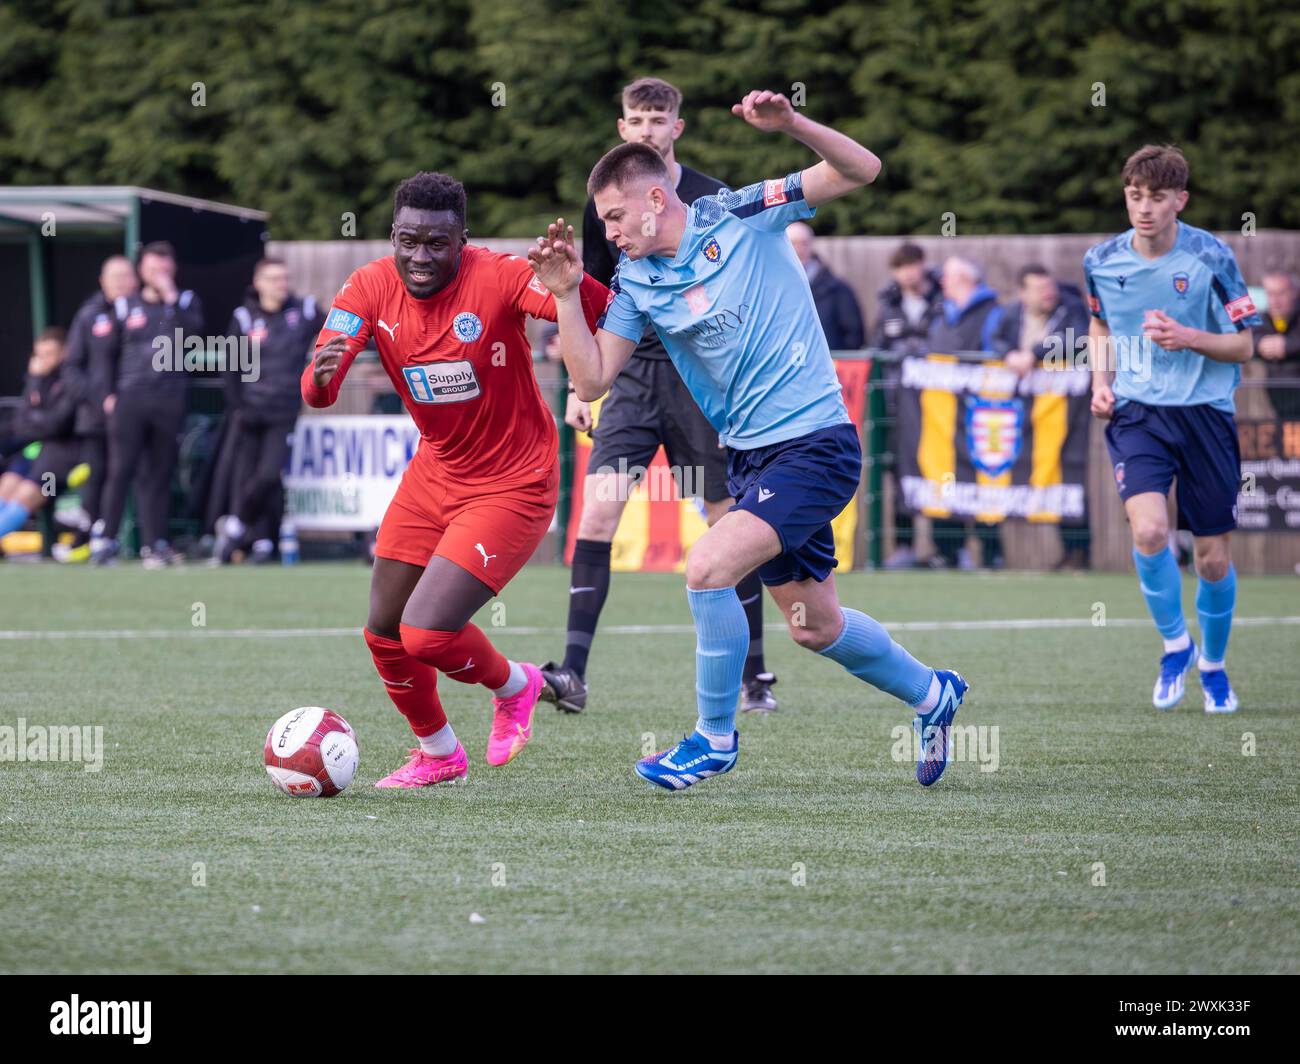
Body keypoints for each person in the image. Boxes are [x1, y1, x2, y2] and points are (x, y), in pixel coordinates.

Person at [529, 90, 968, 791]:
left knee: (707, 566)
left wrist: (793, 124)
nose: (607, 233)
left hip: (816, 443)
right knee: (813, 626)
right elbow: (589, 383)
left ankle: (714, 739)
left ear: (652, 199)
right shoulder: (637, 280)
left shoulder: (742, 210)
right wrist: (562, 295)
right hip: (755, 456)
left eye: (614, 217)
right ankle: (933, 694)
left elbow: (863, 169)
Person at [305, 171, 609, 788]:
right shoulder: (368, 284)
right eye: (408, 241)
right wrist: (321, 373)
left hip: (514, 482)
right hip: (435, 470)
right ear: (392, 234)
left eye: (437, 243)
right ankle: (439, 753)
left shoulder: (497, 275)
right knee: (385, 632)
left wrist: (573, 289)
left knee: (426, 632)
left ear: (462, 239)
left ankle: (518, 687)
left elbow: (602, 314)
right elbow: (317, 390)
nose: (420, 257)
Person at [540, 77, 778, 717]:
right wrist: (577, 387)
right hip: (631, 379)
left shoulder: (711, 197)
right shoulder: (602, 205)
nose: (646, 128)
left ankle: (756, 676)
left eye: (658, 118)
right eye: (635, 118)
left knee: (728, 523)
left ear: (677, 127)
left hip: (697, 380)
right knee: (596, 516)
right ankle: (574, 675)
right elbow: (587, 295)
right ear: (622, 127)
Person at [1086, 144, 1259, 714]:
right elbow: (1100, 324)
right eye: (1135, 196)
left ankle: (1212, 665)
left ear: (1179, 200)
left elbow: (1244, 345)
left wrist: (1190, 338)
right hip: (1139, 414)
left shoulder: (1213, 256)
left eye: (1157, 198)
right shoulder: (1102, 260)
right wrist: (1101, 382)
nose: (1144, 208)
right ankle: (1173, 646)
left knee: (1211, 559)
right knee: (1151, 531)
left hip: (1206, 415)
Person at [93, 242, 204, 567]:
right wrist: (107, 395)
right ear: (141, 271)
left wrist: (171, 297)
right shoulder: (125, 306)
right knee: (121, 469)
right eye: (154, 269)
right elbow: (104, 355)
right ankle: (106, 540)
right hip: (130, 398)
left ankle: (155, 543)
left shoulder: (184, 301)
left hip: (168, 400)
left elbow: (193, 336)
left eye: (166, 269)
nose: (160, 275)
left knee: (158, 473)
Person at [213, 258, 320, 564]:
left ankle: (235, 525)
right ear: (258, 283)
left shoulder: (305, 311)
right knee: (247, 477)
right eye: (273, 279)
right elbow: (230, 368)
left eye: (284, 279)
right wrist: (238, 408)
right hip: (250, 411)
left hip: (283, 410)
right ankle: (258, 541)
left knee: (269, 475)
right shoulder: (244, 317)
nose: (280, 285)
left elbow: (341, 331)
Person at [991, 264, 1093, 569]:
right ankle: (991, 555)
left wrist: (1033, 353)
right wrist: (1007, 354)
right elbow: (994, 341)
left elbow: (1079, 341)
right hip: (1018, 409)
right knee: (996, 470)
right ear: (1022, 293)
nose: (1048, 293)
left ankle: (1076, 553)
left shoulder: (1072, 308)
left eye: (1050, 287)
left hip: (1062, 410)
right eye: (1039, 289)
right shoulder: (1011, 314)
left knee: (1066, 473)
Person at [926, 256, 1005, 569]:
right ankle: (947, 551)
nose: (941, 283)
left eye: (946, 277)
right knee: (942, 477)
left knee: (985, 479)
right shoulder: (941, 313)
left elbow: (995, 353)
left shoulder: (992, 313)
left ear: (963, 279)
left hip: (980, 414)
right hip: (943, 415)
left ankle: (990, 553)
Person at [57, 255, 137, 562]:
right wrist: (98, 398)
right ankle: (87, 538)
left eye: (125, 276)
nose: (120, 282)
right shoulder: (89, 316)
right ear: (102, 281)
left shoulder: (144, 314)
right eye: (113, 276)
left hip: (135, 419)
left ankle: (122, 541)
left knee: (130, 477)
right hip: (96, 420)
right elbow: (71, 369)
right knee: (97, 477)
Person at [871, 242, 942, 569]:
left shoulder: (943, 301)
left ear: (923, 265)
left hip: (940, 406)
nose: (907, 273)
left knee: (944, 471)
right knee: (901, 474)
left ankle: (947, 549)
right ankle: (904, 546)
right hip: (898, 408)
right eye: (900, 267)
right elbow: (875, 350)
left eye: (911, 265)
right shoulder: (888, 306)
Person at [0, 329, 81, 544]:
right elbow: (21, 424)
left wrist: (36, 423)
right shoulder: (36, 381)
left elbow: (57, 425)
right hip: (35, 455)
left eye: (50, 354)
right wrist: (34, 381)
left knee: (25, 496)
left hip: (61, 465)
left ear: (64, 353)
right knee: (6, 486)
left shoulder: (71, 382)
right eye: (39, 355)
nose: (44, 360)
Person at [786, 221, 864, 351]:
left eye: (804, 243)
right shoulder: (771, 289)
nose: (799, 249)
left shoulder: (838, 289)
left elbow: (854, 334)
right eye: (793, 243)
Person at [1251, 271, 1300, 418]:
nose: (1275, 301)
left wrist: (1287, 346)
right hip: (1279, 400)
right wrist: (1260, 344)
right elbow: (1245, 340)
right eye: (1270, 294)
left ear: (1295, 292)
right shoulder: (1264, 317)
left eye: (1281, 293)